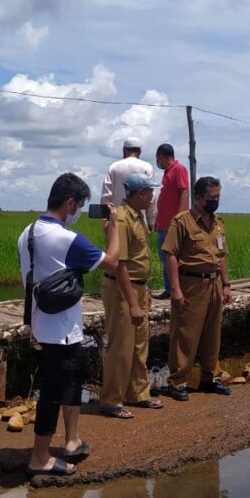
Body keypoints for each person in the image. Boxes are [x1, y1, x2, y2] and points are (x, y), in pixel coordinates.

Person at [18, 172, 120, 476]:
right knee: (52, 390)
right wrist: (113, 228)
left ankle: (73, 440)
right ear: (70, 202)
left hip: (45, 322)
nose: (77, 213)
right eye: (78, 207)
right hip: (60, 328)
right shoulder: (65, 238)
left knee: (72, 380)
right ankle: (39, 457)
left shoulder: (28, 232)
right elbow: (112, 262)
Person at [159, 176, 233, 402]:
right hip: (190, 283)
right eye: (212, 197)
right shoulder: (182, 222)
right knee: (185, 334)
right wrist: (175, 289)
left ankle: (210, 378)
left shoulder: (218, 222)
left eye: (218, 197)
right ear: (198, 197)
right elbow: (170, 254)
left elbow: (220, 256)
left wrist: (226, 284)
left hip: (214, 284)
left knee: (213, 333)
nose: (216, 201)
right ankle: (178, 381)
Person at [100, 173, 164, 418]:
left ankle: (138, 394)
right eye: (150, 192)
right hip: (121, 288)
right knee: (121, 346)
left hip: (137, 287)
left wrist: (142, 293)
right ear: (139, 194)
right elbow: (120, 265)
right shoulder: (123, 219)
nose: (152, 196)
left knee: (139, 344)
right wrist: (132, 303)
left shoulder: (136, 215)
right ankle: (111, 401)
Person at [154, 143, 190, 300]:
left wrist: (179, 218)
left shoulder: (179, 169)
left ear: (161, 156)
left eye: (158, 159)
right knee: (164, 258)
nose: (158, 163)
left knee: (172, 258)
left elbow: (184, 191)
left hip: (172, 224)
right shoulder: (167, 172)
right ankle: (169, 289)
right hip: (162, 224)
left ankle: (175, 289)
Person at [101, 136, 157, 231]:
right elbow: (152, 197)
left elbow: (106, 196)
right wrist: (151, 221)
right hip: (139, 220)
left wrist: (105, 221)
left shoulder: (114, 167)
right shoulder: (147, 167)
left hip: (117, 220)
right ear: (139, 152)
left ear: (124, 150)